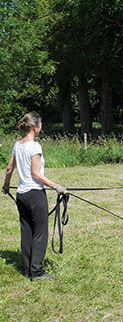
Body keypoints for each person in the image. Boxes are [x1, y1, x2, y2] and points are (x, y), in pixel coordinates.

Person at [2, 112, 67, 281]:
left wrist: (6, 185)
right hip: (35, 195)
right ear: (35, 127)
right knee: (40, 233)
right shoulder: (35, 146)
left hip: (21, 195)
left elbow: (9, 169)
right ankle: (37, 272)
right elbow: (36, 174)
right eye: (41, 124)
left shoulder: (18, 145)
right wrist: (56, 186)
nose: (41, 127)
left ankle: (27, 269)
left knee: (26, 232)